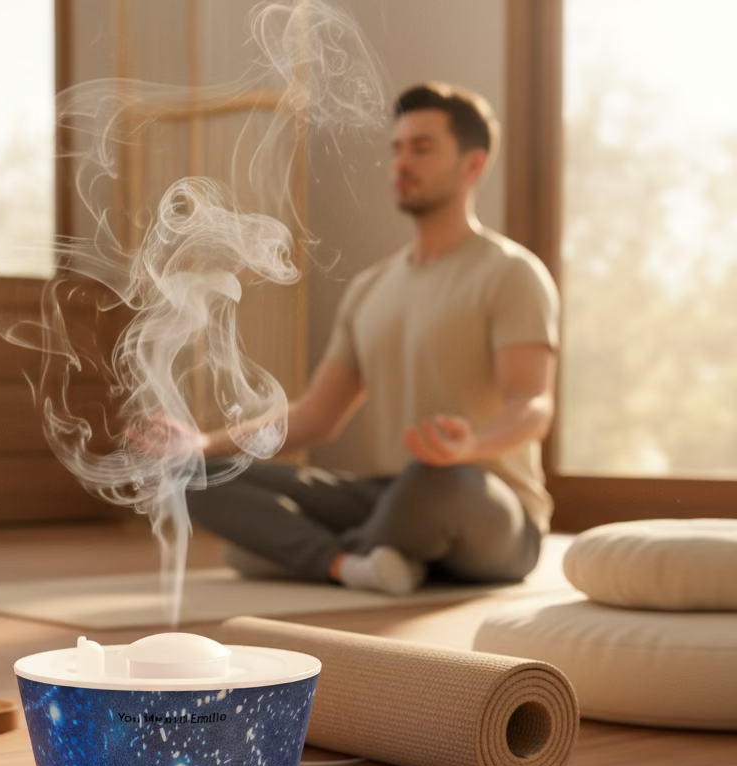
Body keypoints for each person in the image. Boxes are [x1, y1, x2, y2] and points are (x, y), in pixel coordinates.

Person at [187, 81, 560, 595]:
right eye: (398, 148)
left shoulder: (511, 273)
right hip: (387, 495)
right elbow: (318, 414)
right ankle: (357, 561)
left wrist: (472, 444)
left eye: (423, 148)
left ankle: (305, 553)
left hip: (481, 500)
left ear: (472, 165)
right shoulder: (370, 288)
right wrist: (204, 443)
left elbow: (532, 403)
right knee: (195, 476)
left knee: (433, 478)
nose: (402, 162)